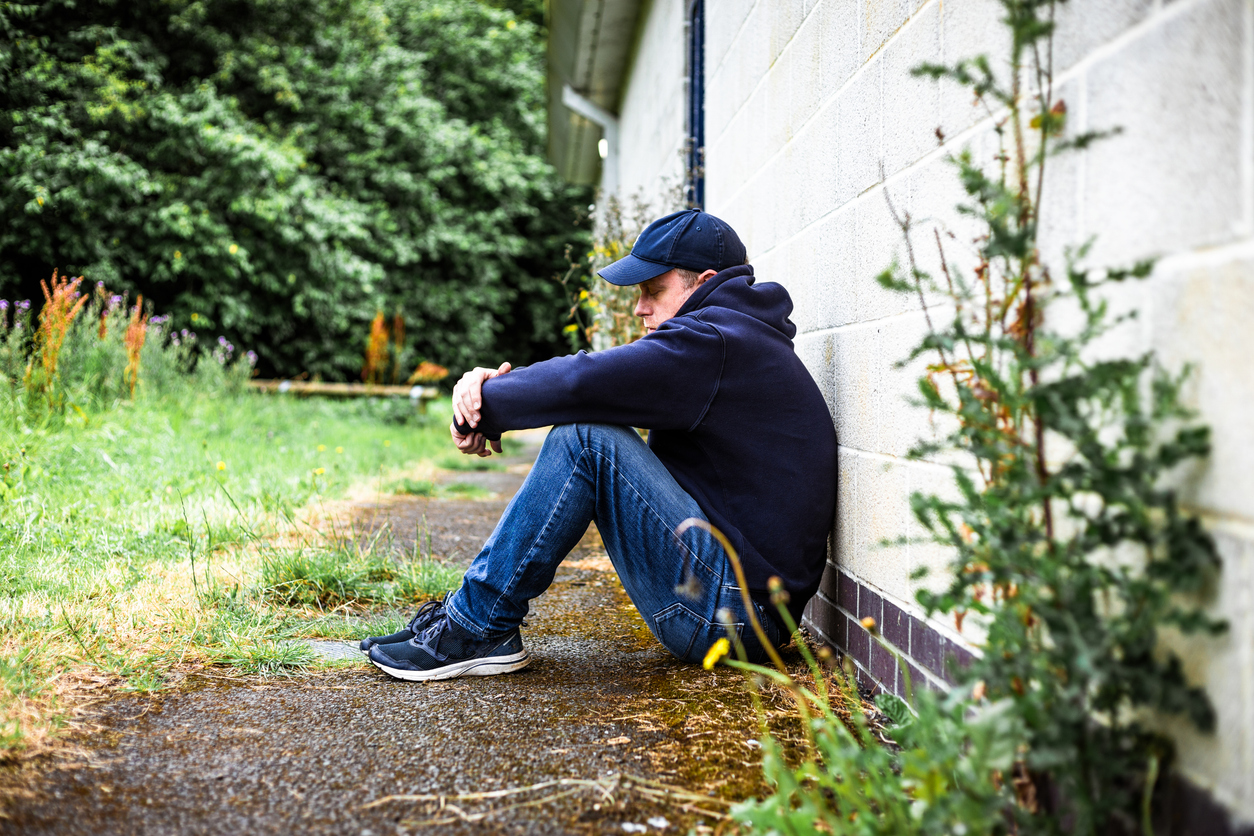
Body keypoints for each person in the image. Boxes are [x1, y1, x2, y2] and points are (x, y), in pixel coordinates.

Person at [361, 209, 838, 681]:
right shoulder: (733, 341)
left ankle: (474, 627)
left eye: (654, 290)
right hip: (742, 608)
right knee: (589, 428)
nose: (639, 308)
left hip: (730, 616)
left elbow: (582, 382)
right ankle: (470, 619)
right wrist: (491, 395)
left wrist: (483, 402)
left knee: (585, 437)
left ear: (704, 281)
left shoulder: (713, 344)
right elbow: (597, 383)